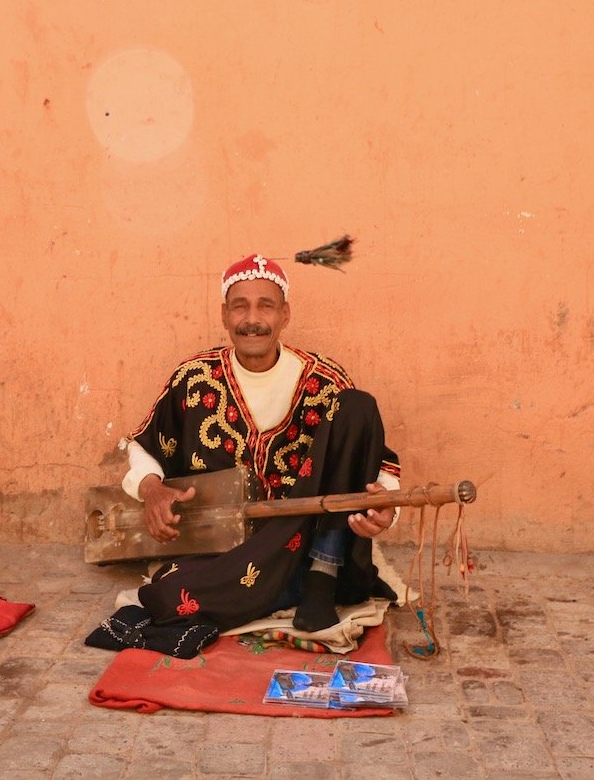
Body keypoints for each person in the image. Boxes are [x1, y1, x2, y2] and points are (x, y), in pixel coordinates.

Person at [119, 253, 403, 634]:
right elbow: (143, 445)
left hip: (317, 549)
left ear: (284, 315)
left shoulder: (324, 380)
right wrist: (151, 489)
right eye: (240, 307)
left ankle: (319, 581)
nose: (252, 320)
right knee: (167, 597)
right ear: (224, 315)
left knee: (358, 406)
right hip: (230, 555)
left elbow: (378, 470)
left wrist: (384, 513)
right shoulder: (194, 379)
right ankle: (284, 589)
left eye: (265, 306)